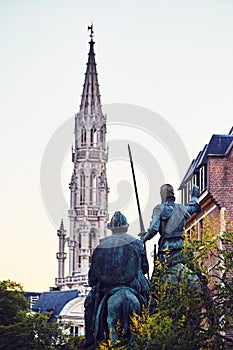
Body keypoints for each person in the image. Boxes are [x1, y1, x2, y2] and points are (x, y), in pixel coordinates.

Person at [82, 211, 149, 348]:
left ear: (111, 228)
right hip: (133, 287)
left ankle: (89, 338)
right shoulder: (137, 243)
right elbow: (145, 268)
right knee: (152, 302)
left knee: (89, 305)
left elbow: (92, 278)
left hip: (109, 289)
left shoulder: (102, 245)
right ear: (126, 227)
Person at [142, 184, 200, 267]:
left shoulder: (159, 208)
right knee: (195, 273)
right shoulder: (181, 208)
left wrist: (143, 239)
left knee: (158, 277)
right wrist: (194, 196)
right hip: (182, 248)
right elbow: (195, 208)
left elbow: (153, 229)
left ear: (162, 194)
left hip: (166, 249)